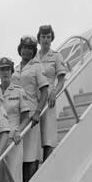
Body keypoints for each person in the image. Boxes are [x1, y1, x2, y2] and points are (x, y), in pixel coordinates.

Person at [0, 57, 31, 182]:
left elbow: (26, 117)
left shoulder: (19, 91)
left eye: (7, 69)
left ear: (11, 71)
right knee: (0, 181)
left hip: (13, 140)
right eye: (2, 69)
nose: (5, 72)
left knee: (13, 180)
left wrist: (19, 132)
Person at [11, 35, 49, 182]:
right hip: (16, 116)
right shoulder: (14, 70)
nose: (26, 50)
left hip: (31, 114)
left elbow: (44, 91)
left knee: (30, 153)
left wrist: (38, 112)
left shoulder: (37, 67)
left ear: (34, 51)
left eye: (30, 48)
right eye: (24, 47)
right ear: (20, 49)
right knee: (17, 153)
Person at [35, 25, 67, 161]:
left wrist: (54, 92)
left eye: (48, 37)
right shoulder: (34, 57)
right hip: (33, 97)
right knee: (35, 135)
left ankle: (46, 165)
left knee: (47, 136)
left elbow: (61, 80)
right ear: (39, 38)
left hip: (48, 97)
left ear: (51, 38)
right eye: (43, 37)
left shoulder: (56, 56)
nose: (46, 40)